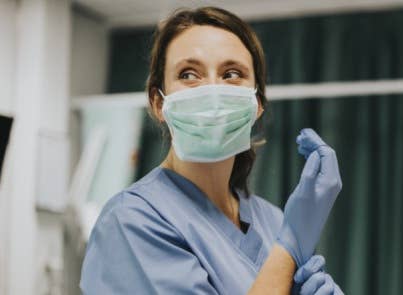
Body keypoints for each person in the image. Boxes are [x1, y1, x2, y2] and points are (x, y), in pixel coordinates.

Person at [80, 7, 343, 294]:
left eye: (232, 74)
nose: (213, 91)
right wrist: (289, 246)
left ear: (256, 104)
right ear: (158, 103)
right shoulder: (131, 221)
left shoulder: (273, 221)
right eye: (189, 74)